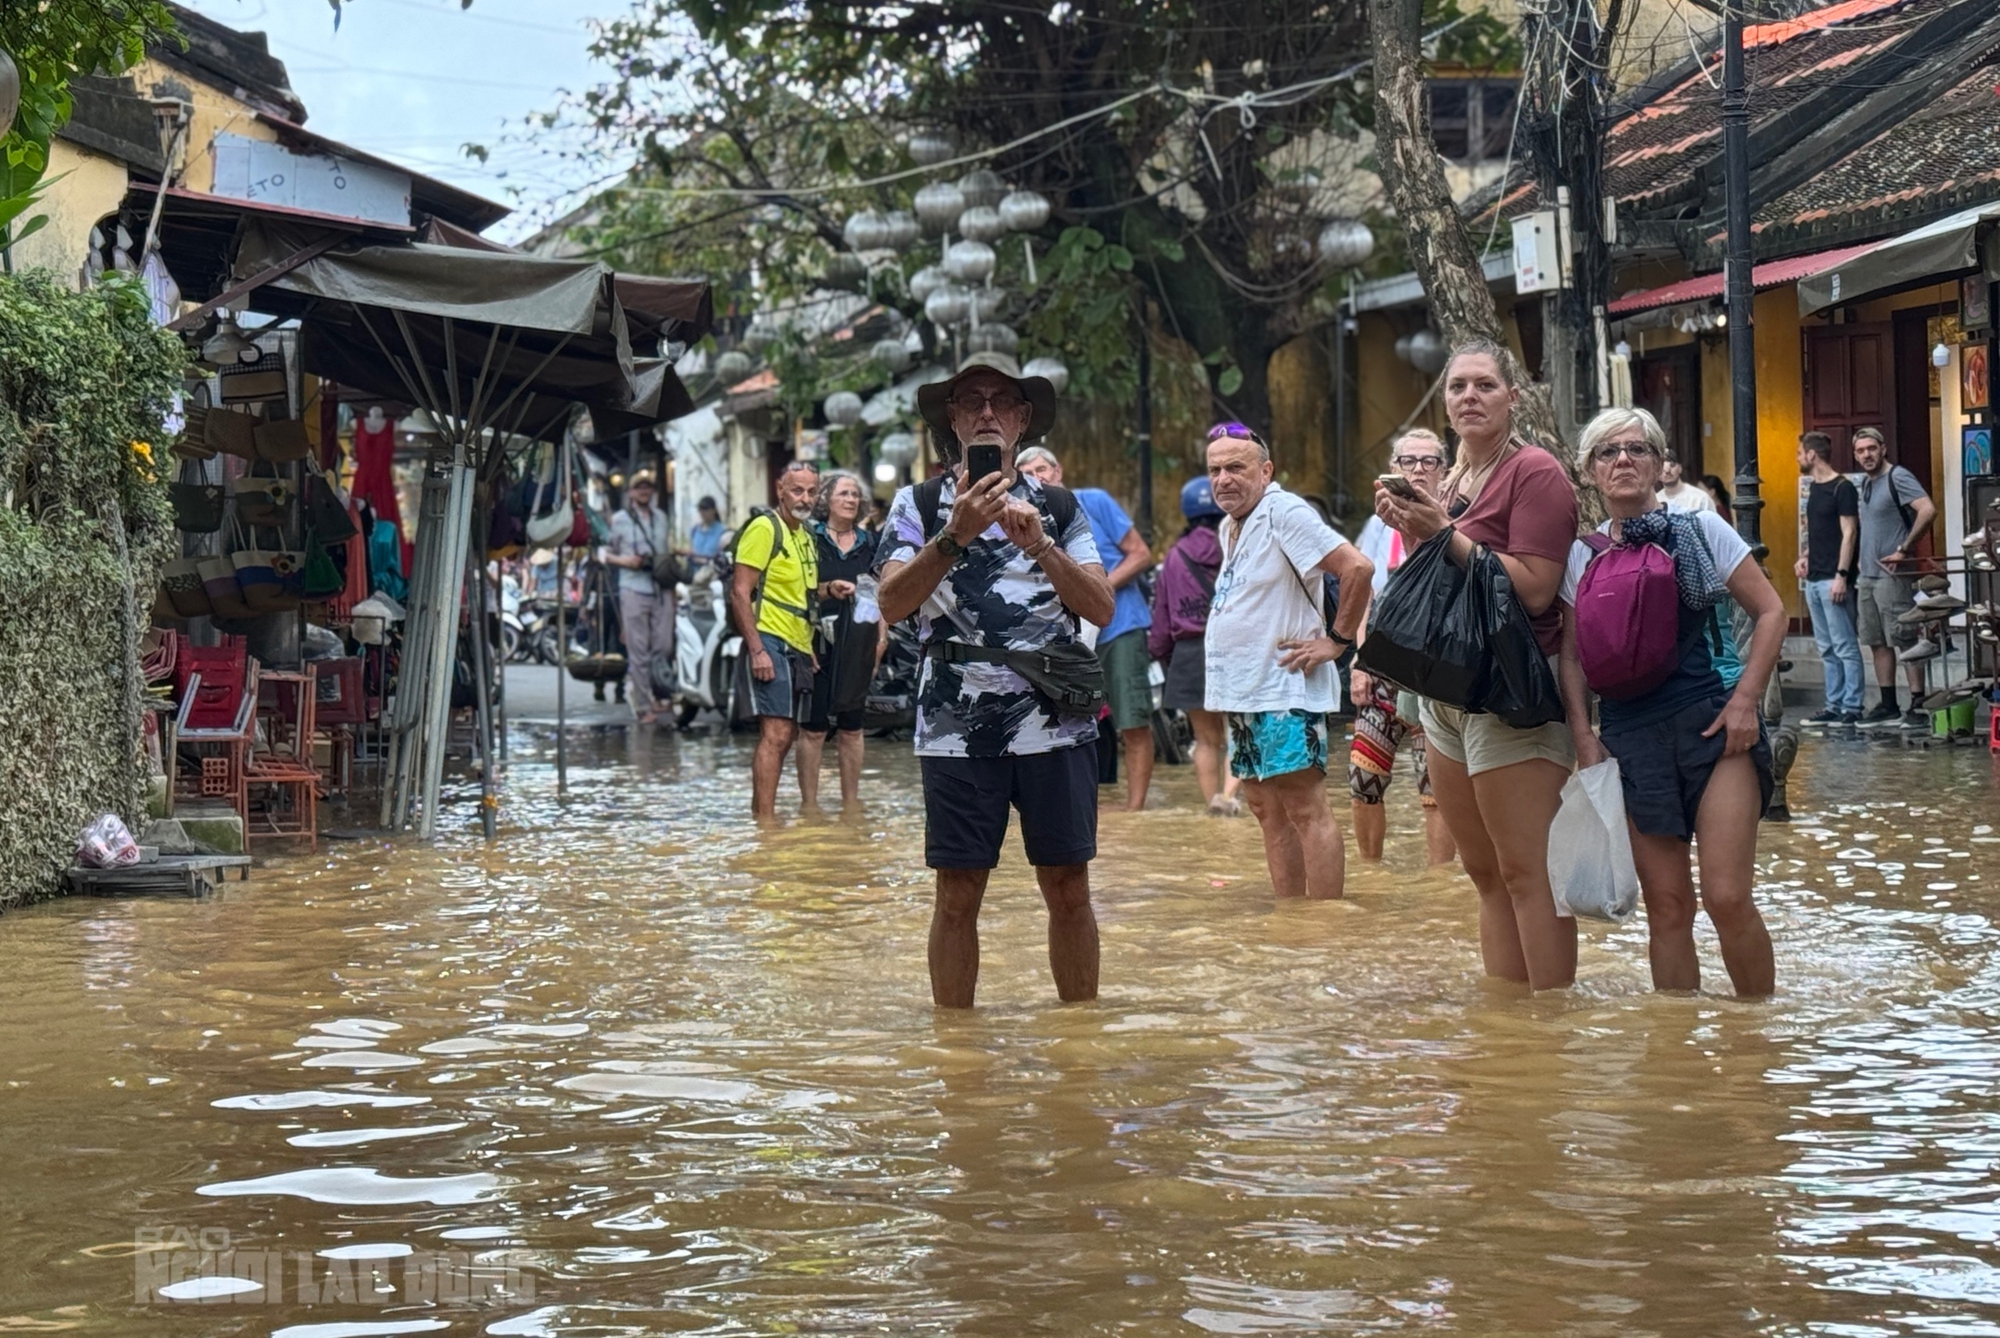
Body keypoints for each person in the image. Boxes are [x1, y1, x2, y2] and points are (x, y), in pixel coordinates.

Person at [876, 353, 1116, 1008]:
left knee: (1069, 887)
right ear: (951, 418)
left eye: (1000, 400)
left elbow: (1100, 607)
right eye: (971, 399)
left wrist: (1040, 546)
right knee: (957, 894)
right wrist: (954, 535)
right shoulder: (918, 504)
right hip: (956, 726)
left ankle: (1081, 1037)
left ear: (1022, 419)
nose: (986, 411)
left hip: (1056, 722)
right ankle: (956, 1050)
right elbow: (892, 603)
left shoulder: (1059, 505)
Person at [1371, 339, 1580, 991]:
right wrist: (1417, 521)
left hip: (1510, 690)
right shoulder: (1456, 478)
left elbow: (1538, 588)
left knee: (1528, 873)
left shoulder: (1536, 472)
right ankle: (1509, 1035)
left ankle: (1550, 1030)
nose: (1469, 396)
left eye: (1485, 385)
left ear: (1513, 398)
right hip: (1445, 693)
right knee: (1484, 874)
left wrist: (1441, 532)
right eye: (1458, 386)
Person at [1559, 408, 1782, 997]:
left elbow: (1772, 612)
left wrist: (1745, 702)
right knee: (1667, 906)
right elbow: (1573, 658)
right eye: (1608, 453)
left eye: (1637, 449)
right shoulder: (1580, 557)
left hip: (1714, 725)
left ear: (1659, 465)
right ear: (1589, 472)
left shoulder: (1703, 530)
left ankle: (1757, 1037)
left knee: (1728, 897)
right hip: (1631, 738)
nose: (1624, 460)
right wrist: (1585, 735)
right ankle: (1677, 1060)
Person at [1204, 422, 1374, 901]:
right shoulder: (1229, 525)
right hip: (1244, 692)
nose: (1223, 479)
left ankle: (1324, 927)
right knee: (1263, 808)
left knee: (1304, 807)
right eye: (1215, 469)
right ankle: (1292, 918)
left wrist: (1337, 641)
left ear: (1265, 470)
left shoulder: (1283, 510)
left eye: (1236, 467)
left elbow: (1358, 568)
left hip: (1284, 690)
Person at [1014, 445, 1157, 810]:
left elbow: (1140, 553)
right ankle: (1078, 807)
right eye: (1028, 472)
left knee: (1132, 719)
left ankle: (1135, 811)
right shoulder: (1013, 519)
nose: (1038, 476)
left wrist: (1097, 591)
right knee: (1066, 724)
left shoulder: (1092, 501)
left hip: (1118, 626)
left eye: (1043, 468)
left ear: (1058, 471)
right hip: (1059, 637)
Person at [1348, 429, 1456, 866]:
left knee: (1436, 786)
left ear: (1444, 472)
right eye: (1407, 462)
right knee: (1363, 776)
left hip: (1439, 674)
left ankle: (1439, 881)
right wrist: (1359, 659)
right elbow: (1363, 595)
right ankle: (1371, 872)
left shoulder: (1456, 519)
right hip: (1383, 670)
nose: (1417, 470)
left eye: (1428, 462)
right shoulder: (1378, 525)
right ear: (1392, 469)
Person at [1147, 476, 1244, 816]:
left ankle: (1211, 801)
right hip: (1236, 648)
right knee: (1239, 730)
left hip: (1189, 653)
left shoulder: (1174, 557)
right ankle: (1231, 795)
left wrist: (1162, 653)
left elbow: (1161, 615)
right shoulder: (1237, 547)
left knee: (1205, 739)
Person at [730, 461, 821, 820]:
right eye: (797, 490)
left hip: (798, 645)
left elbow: (803, 596)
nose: (805, 498)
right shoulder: (765, 528)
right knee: (777, 733)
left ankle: (764, 816)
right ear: (779, 489)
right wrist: (757, 650)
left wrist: (809, 646)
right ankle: (765, 824)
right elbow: (740, 592)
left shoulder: (806, 535)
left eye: (812, 491)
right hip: (770, 639)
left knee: (788, 734)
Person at [797, 470, 886, 811]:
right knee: (814, 727)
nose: (851, 500)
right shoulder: (810, 539)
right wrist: (827, 589)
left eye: (854, 495)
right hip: (817, 640)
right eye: (843, 494)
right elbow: (797, 590)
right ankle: (809, 807)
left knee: (852, 726)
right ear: (826, 501)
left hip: (861, 641)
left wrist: (881, 641)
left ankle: (851, 806)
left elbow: (881, 595)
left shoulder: (870, 543)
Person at [1850, 426, 1938, 727]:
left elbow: (1927, 510)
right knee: (1876, 641)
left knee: (1904, 636)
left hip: (1893, 575)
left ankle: (1918, 704)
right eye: (1860, 451)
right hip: (1869, 575)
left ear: (1883, 448)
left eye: (1871, 449)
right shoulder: (1865, 483)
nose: (1866, 455)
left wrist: (1904, 548)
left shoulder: (1897, 477)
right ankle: (1888, 703)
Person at [1793, 431, 1862, 726]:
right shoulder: (1814, 489)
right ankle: (1833, 704)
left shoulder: (1842, 488)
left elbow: (1850, 533)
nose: (1798, 457)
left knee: (1845, 645)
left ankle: (1852, 706)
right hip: (1814, 578)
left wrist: (1842, 575)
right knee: (1827, 647)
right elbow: (1820, 532)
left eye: (1800, 452)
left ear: (1812, 455)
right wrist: (1806, 556)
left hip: (1834, 578)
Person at [604, 470, 675, 725]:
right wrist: (625, 561)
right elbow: (604, 554)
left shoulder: (662, 517)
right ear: (631, 492)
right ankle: (644, 706)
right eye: (639, 487)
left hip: (660, 588)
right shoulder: (619, 519)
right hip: (632, 588)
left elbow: (667, 551)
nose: (644, 491)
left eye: (648, 487)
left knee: (664, 646)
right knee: (638, 651)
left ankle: (659, 694)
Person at [1657, 450, 1715, 514]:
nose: (1667, 471)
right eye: (1661, 467)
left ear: (1680, 468)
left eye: (1672, 465)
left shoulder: (1700, 499)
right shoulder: (1656, 500)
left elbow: (1712, 523)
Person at [688, 495, 726, 565]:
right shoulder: (695, 530)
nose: (702, 512)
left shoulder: (722, 532)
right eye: (700, 509)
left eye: (705, 509)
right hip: (693, 573)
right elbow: (692, 550)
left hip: (712, 573)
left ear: (714, 510)